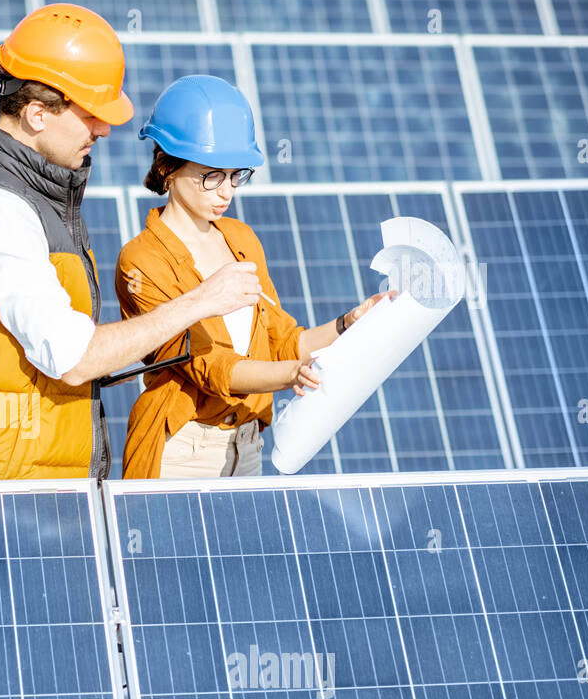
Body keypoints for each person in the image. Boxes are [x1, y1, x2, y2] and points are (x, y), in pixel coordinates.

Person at [0, 6, 261, 481]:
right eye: (92, 114)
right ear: (36, 114)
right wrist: (200, 301)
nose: (104, 129)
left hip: (28, 482)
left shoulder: (43, 195)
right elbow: (73, 356)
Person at [115, 75, 394, 479]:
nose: (226, 191)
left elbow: (282, 342)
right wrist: (290, 377)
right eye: (212, 175)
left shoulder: (242, 239)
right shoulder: (141, 261)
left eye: (236, 175)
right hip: (181, 452)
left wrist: (347, 324)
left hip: (246, 447)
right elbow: (210, 367)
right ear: (167, 166)